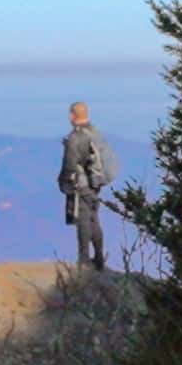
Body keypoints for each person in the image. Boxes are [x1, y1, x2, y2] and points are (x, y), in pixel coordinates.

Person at [57, 101, 111, 271]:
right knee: (94, 219)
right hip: (95, 183)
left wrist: (64, 183)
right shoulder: (95, 132)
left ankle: (84, 260)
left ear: (73, 115)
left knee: (83, 220)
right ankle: (99, 257)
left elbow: (70, 164)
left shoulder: (76, 137)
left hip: (81, 184)